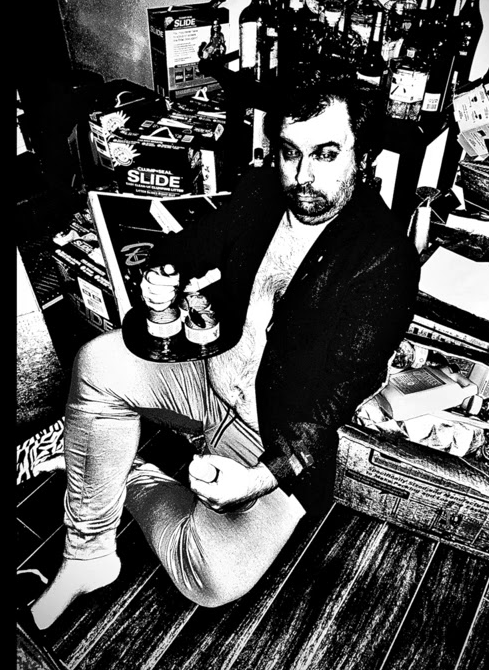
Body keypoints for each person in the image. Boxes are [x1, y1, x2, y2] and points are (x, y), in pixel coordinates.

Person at [28, 70, 420, 630]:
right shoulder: (262, 191)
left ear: (364, 155)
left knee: (210, 578)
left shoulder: (385, 261)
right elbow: (192, 244)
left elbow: (333, 397)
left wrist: (258, 479)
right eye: (290, 152)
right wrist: (163, 274)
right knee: (96, 364)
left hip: (271, 433)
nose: (302, 176)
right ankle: (89, 553)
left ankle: (121, 468)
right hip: (207, 378)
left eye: (326, 154)